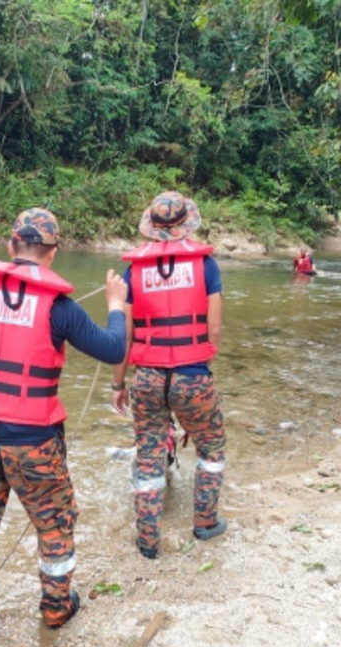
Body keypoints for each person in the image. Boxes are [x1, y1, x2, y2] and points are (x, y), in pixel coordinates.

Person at [0, 207, 128, 636]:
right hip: (34, 444)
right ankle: (56, 609)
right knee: (55, 525)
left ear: (10, 246)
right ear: (53, 253)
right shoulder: (59, 306)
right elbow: (114, 349)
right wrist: (115, 306)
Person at [111, 191, 228, 560]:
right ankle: (205, 522)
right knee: (212, 445)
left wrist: (118, 384)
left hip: (146, 377)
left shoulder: (133, 272)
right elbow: (214, 331)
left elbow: (124, 336)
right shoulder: (206, 266)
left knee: (148, 454)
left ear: (152, 226)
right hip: (192, 374)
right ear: (186, 224)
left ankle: (148, 539)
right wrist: (199, 371)